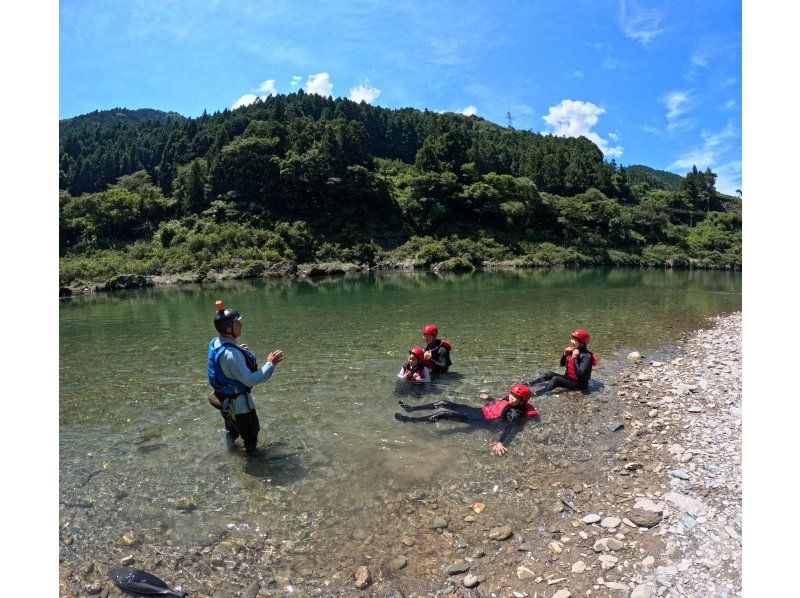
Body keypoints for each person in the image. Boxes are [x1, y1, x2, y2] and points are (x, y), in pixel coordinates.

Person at [207, 300, 284, 454]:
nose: (241, 326)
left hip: (224, 400)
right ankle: (248, 459)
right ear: (229, 328)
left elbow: (223, 361)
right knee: (251, 437)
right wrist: (270, 364)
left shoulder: (216, 342)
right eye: (238, 324)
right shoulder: (231, 354)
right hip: (240, 406)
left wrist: (238, 349)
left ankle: (231, 451)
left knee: (232, 430)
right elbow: (250, 380)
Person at [394, 383, 538, 455]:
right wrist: (490, 398)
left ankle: (409, 420)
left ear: (522, 400)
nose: (512, 397)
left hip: (482, 419)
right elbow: (500, 404)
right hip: (479, 411)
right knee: (444, 402)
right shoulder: (510, 401)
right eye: (511, 394)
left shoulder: (514, 412)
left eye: (516, 397)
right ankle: (412, 409)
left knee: (444, 414)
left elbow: (510, 427)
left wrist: (500, 442)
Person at [526, 328, 597, 394]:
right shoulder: (573, 350)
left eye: (575, 340)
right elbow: (562, 364)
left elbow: (580, 374)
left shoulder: (586, 356)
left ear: (582, 343)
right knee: (549, 374)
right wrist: (564, 354)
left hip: (580, 384)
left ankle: (540, 393)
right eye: (572, 339)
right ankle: (530, 384)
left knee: (556, 379)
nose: (572, 341)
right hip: (569, 378)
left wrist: (575, 357)